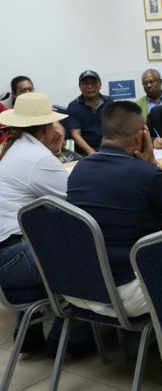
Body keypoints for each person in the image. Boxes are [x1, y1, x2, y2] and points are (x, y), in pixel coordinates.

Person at [66, 101, 162, 317]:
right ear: (140, 135)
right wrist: (153, 161)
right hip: (126, 291)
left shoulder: (79, 169)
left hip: (81, 285)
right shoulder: (146, 173)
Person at [0, 93, 94, 356]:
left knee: (55, 241)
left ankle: (29, 332)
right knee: (88, 260)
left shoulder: (16, 149)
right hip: (13, 258)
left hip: (8, 257)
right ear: (45, 127)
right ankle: (68, 339)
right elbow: (78, 201)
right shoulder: (37, 158)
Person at [66, 70, 113, 156]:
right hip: (84, 151)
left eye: (94, 83)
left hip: (108, 147)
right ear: (80, 87)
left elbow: (114, 128)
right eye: (86, 83)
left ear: (100, 85)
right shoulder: (74, 106)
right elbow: (75, 134)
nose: (90, 86)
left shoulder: (109, 102)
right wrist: (91, 152)